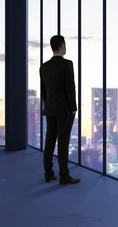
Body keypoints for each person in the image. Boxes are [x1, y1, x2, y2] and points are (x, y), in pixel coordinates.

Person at [40, 35, 80, 185]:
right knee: (63, 143)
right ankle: (64, 176)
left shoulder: (44, 67)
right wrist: (73, 108)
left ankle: (48, 174)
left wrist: (47, 106)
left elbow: (44, 91)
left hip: (50, 109)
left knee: (49, 141)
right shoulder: (67, 64)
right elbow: (70, 88)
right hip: (64, 110)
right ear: (62, 46)